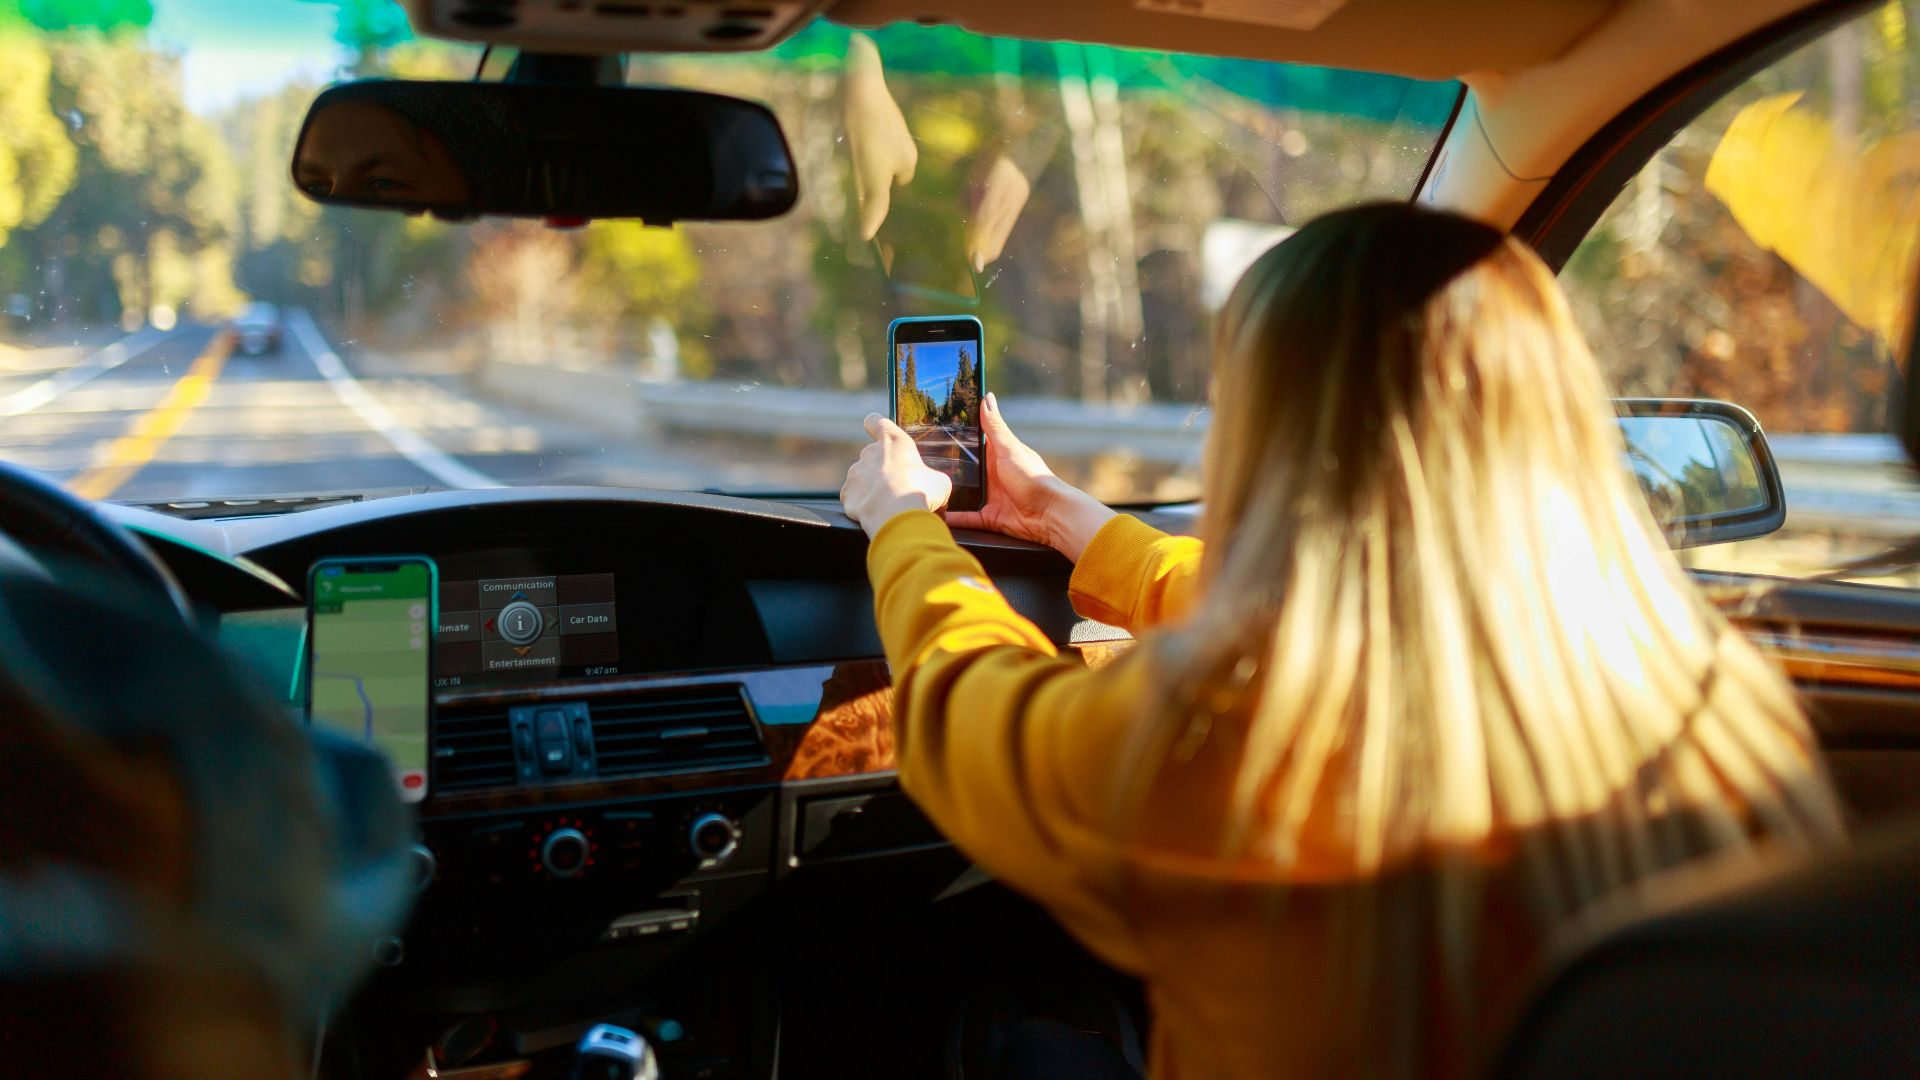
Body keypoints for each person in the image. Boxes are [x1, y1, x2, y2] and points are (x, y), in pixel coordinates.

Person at [839, 203, 1846, 1080]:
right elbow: (1318, 619)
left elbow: (960, 709)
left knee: (1024, 1040)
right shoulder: (1720, 703)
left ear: (1268, 437)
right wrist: (1068, 520)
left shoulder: (1220, 743)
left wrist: (903, 526)